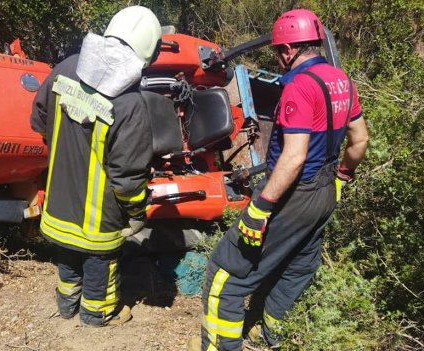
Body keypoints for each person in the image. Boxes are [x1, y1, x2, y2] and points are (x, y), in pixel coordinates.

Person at [188, 8, 369, 350]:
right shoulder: (342, 81)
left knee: (223, 276)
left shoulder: (299, 86)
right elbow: (359, 141)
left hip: (293, 193)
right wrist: (342, 177)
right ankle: (272, 335)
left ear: (287, 50)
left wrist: (260, 206)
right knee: (299, 264)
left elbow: (295, 155)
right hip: (325, 190)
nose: (278, 59)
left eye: (277, 52)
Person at [30, 6, 161, 327]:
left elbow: (38, 120)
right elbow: (128, 174)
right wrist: (136, 212)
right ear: (149, 50)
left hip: (59, 205)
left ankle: (66, 304)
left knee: (68, 255)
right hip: (97, 218)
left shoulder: (64, 68)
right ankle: (96, 313)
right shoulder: (130, 103)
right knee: (100, 261)